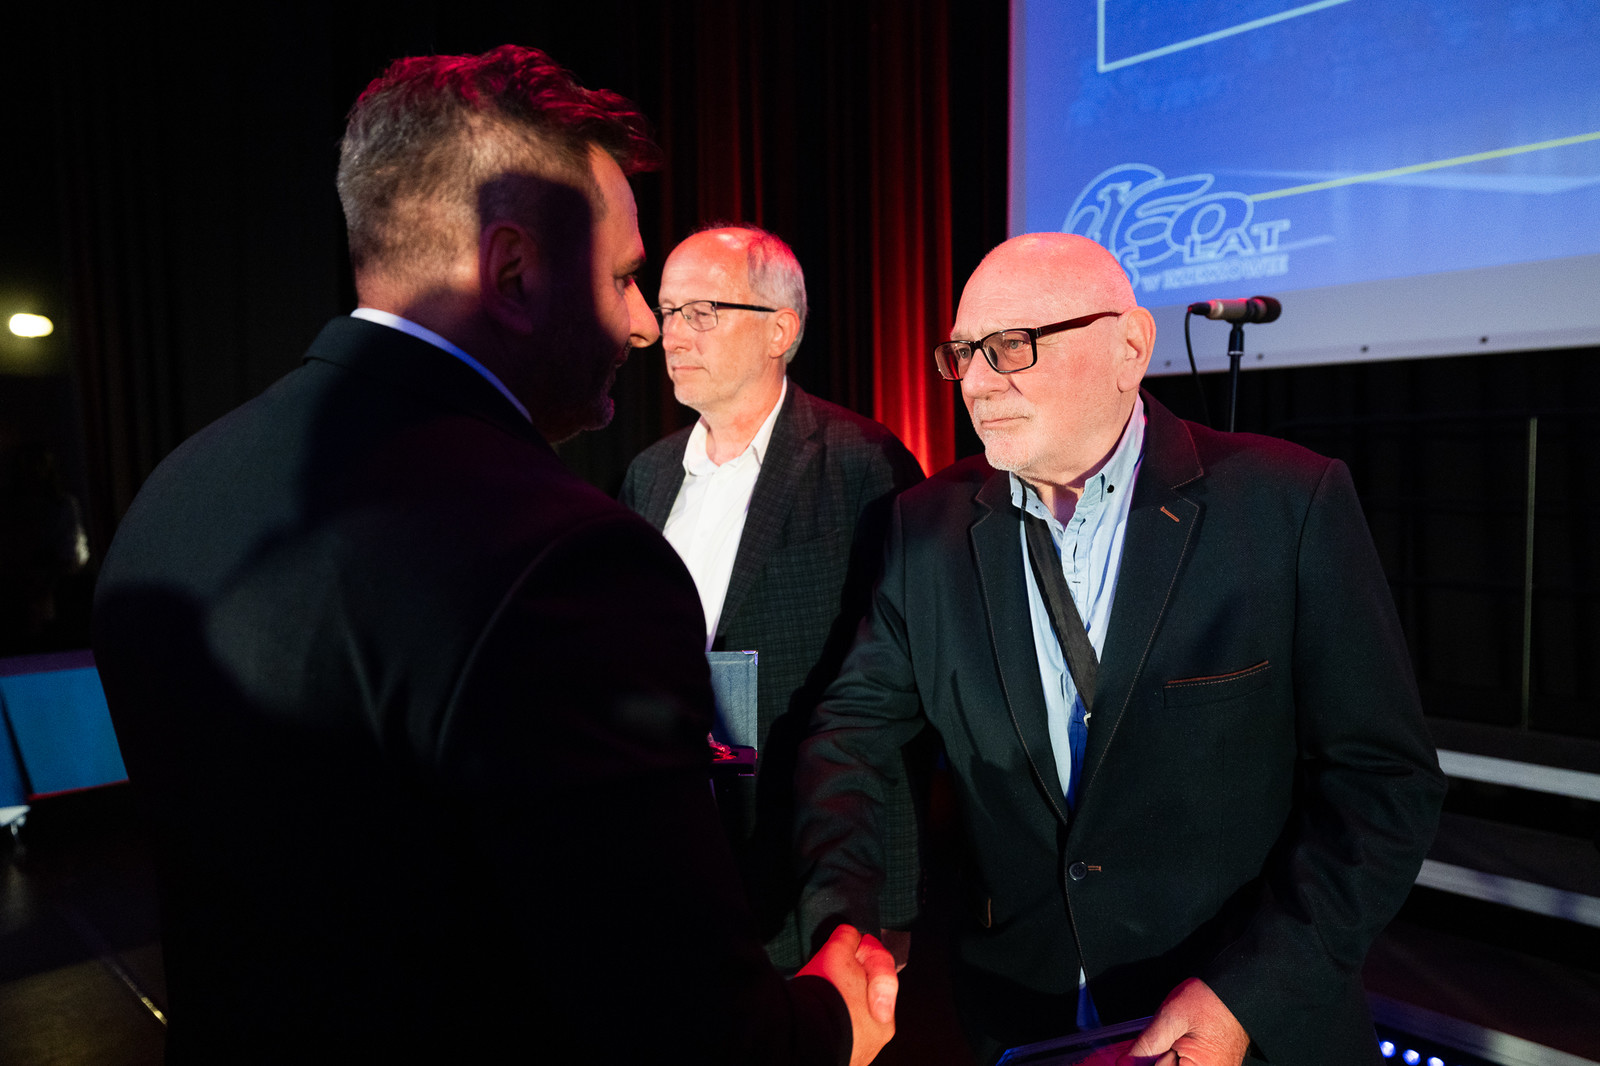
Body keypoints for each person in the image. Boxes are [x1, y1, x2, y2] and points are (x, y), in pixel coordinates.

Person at [92, 45, 894, 1065]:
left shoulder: (172, 495)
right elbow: (686, 1032)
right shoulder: (566, 558)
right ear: (513, 272)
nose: (643, 326)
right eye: (626, 280)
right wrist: (834, 1018)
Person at [795, 233, 1444, 1066]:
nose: (979, 383)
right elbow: (849, 736)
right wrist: (844, 918)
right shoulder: (923, 527)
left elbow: (1384, 783)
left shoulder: (1285, 503)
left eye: (1012, 346)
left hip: (1248, 1029)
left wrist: (1247, 995)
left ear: (1130, 347)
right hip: (1019, 1024)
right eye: (963, 354)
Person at [620, 225, 924, 969]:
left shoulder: (862, 464)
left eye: (702, 312)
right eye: (668, 311)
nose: (672, 334)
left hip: (808, 875)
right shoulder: (649, 476)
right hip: (672, 866)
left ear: (780, 331)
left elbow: (898, 696)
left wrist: (877, 904)